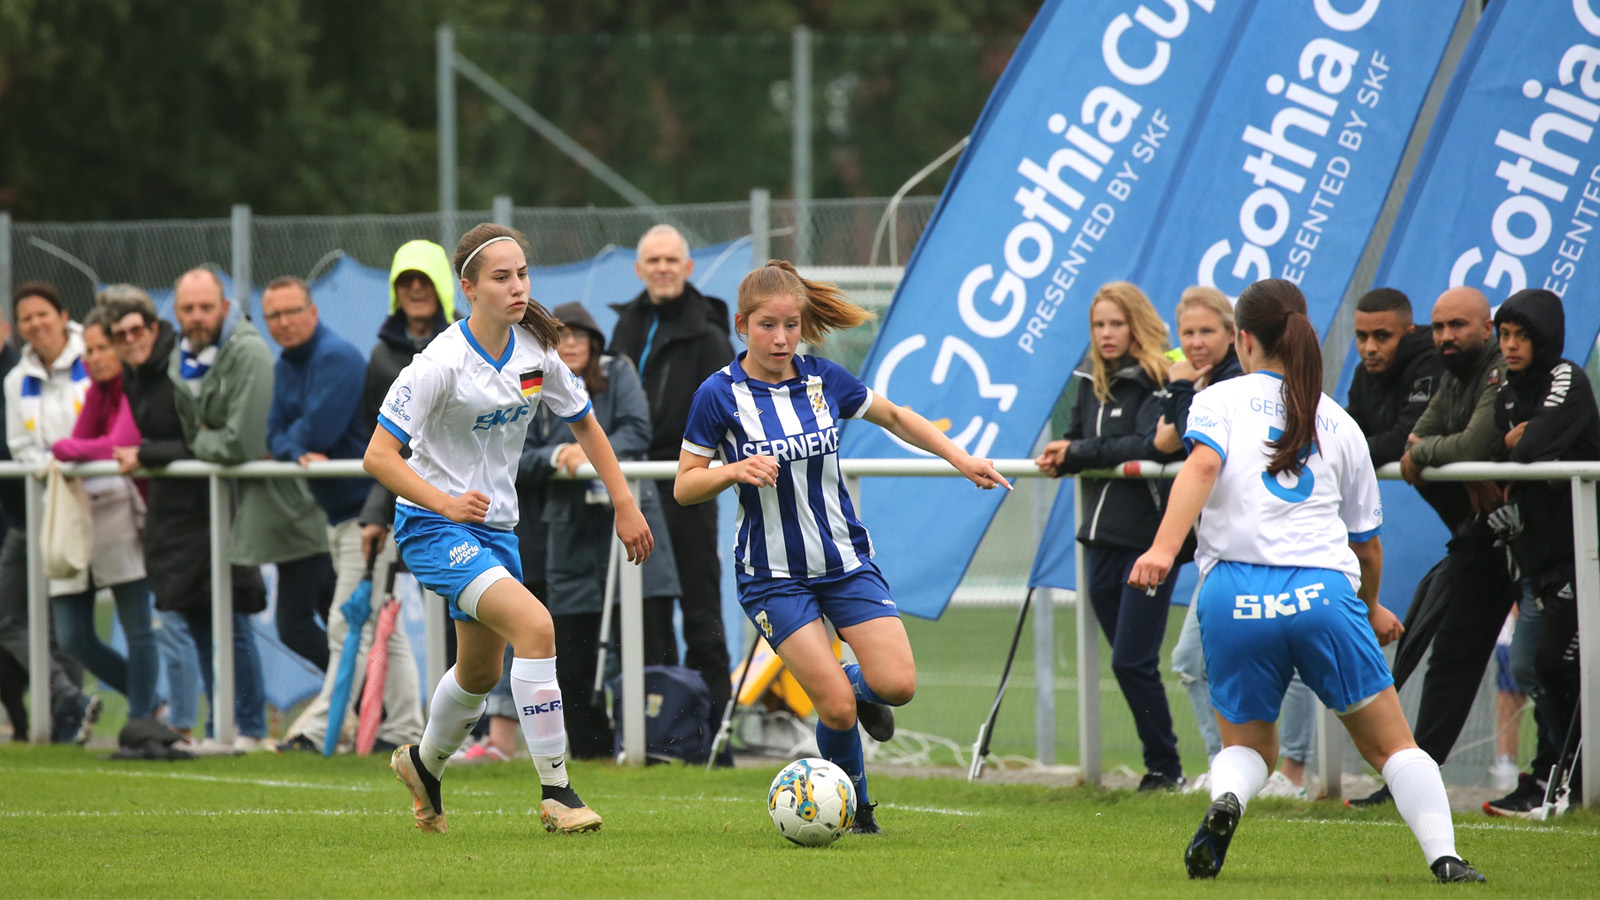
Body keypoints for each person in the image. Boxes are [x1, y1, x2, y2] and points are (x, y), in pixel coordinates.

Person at [1128, 278, 1483, 884]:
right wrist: (1369, 606)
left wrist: (1163, 548)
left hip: (1233, 594)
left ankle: (1227, 801)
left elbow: (1204, 463)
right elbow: (1367, 547)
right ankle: (1445, 859)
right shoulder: (1339, 421)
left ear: (1243, 339)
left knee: (1249, 747)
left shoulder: (1220, 399)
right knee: (1392, 748)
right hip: (1321, 592)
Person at [676, 260, 1011, 834]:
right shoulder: (718, 395)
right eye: (767, 326)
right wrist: (733, 471)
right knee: (833, 706)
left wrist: (961, 459)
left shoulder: (823, 379)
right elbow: (685, 485)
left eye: (790, 325)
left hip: (844, 564)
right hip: (772, 575)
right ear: (741, 325)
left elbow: (897, 417)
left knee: (897, 686)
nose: (781, 338)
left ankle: (858, 691)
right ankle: (856, 811)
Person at [369, 223, 651, 835]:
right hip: (432, 526)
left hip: (496, 528)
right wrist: (444, 504)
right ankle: (558, 791)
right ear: (468, 288)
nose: (518, 286)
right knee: (536, 625)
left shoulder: (536, 352)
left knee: (479, 674)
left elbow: (587, 426)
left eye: (522, 273)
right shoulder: (438, 363)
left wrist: (625, 502)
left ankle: (422, 764)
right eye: (502, 277)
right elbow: (379, 458)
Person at [1349, 287, 1518, 808]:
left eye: (1457, 326)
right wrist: (1437, 454)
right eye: (1440, 326)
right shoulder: (1452, 373)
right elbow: (1410, 438)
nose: (1447, 336)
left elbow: (1430, 442)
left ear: (1487, 328)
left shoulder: (1483, 369)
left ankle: (1560, 782)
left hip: (1544, 540)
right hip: (1483, 538)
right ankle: (1411, 782)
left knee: (1545, 665)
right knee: (1450, 657)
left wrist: (1435, 454)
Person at [1155, 287, 1311, 798]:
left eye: (1207, 332)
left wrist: (1179, 395)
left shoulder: (1225, 391)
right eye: (1188, 333)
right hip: (1233, 557)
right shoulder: (1219, 388)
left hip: (1280, 555)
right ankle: (1231, 770)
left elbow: (1194, 452)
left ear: (1237, 338)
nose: (1196, 342)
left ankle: (1291, 773)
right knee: (1192, 660)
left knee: (1306, 665)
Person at [1035, 281, 1186, 791]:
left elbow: (1146, 445)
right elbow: (1080, 440)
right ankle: (1163, 765)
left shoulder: (1157, 380)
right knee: (1127, 662)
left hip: (1147, 540)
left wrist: (1077, 452)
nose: (1105, 334)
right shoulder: (1089, 382)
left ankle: (1166, 767)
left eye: (1116, 323)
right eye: (1098, 324)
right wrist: (1064, 454)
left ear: (1137, 324)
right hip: (1098, 539)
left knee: (1131, 659)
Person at [263, 276, 423, 754]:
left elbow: (320, 431)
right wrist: (293, 446)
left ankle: (318, 732)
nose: (284, 322)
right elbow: (275, 433)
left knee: (344, 621)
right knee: (372, 622)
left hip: (367, 511)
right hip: (340, 514)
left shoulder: (335, 357)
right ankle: (406, 729)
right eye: (274, 315)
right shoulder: (289, 362)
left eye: (292, 311)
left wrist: (292, 445)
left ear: (313, 312)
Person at [522, 302, 680, 758]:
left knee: (653, 649)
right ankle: (591, 752)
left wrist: (587, 456)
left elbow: (637, 430)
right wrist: (557, 457)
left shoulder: (619, 373)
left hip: (630, 528)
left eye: (580, 334)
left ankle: (662, 748)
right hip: (568, 539)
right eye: (561, 334)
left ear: (595, 342)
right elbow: (518, 453)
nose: (570, 342)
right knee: (571, 657)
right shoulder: (533, 382)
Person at [608, 224, 735, 757]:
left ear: (687, 268)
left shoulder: (709, 335)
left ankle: (719, 738)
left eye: (671, 260)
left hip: (689, 489)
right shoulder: (625, 328)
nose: (662, 268)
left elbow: (731, 408)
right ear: (639, 269)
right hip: (634, 489)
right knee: (645, 615)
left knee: (702, 612)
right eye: (652, 260)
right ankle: (655, 738)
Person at [167, 268, 300, 750]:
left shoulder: (246, 350)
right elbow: (206, 434)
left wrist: (198, 442)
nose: (197, 317)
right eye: (187, 309)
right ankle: (223, 722)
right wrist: (206, 441)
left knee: (243, 612)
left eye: (206, 307)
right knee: (204, 612)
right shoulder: (180, 358)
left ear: (225, 307)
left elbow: (239, 441)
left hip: (259, 504)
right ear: (177, 313)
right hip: (206, 504)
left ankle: (248, 725)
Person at [1486, 287, 1600, 814]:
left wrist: (1520, 441)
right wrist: (1516, 441)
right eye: (1504, 335)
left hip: (1583, 554)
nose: (1510, 346)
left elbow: (1529, 449)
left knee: (1558, 665)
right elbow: (1494, 446)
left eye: (1520, 336)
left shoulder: (1566, 377)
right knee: (1531, 666)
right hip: (1539, 559)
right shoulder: (1506, 386)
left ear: (1545, 337)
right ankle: (1555, 774)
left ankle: (1570, 778)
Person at [45, 305, 159, 724]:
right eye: (88, 350)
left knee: (141, 631)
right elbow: (83, 442)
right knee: (73, 636)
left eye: (102, 348)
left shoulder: (132, 385)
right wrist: (70, 448)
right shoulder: (98, 391)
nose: (94, 357)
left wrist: (63, 449)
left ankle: (143, 718)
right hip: (94, 525)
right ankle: (150, 705)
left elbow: (112, 446)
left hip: (137, 522)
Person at [0, 282, 99, 742]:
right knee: (11, 617)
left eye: (43, 314)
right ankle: (70, 700)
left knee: (69, 623)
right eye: (27, 319)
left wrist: (74, 458)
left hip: (96, 507)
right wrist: (53, 465)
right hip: (35, 512)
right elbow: (20, 445)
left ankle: (72, 717)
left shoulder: (93, 357)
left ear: (63, 316)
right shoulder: (16, 379)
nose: (36, 324)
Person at [359, 240, 457, 664]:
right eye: (405, 281)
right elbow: (386, 446)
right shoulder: (382, 356)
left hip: (469, 500)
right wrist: (376, 515)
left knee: (470, 614)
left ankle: (481, 724)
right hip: (413, 506)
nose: (416, 289)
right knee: (434, 622)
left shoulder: (464, 344)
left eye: (425, 279)